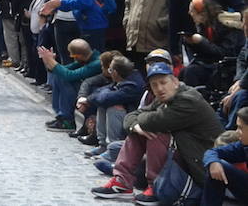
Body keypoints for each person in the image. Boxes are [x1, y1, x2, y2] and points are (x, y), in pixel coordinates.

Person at [91, 62, 223, 203]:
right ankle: (122, 182)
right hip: (176, 156)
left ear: (175, 82)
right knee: (132, 136)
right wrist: (135, 126)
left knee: (155, 131)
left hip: (199, 165)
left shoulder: (188, 100)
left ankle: (154, 186)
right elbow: (131, 117)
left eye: (163, 82)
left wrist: (139, 122)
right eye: (154, 85)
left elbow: (154, 121)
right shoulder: (164, 98)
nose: (160, 88)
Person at [83, 55, 145, 156]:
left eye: (110, 70)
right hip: (127, 116)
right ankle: (103, 145)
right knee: (102, 106)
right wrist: (88, 99)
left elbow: (105, 98)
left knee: (114, 108)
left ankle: (113, 147)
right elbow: (102, 91)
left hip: (133, 120)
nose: (109, 72)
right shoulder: (123, 79)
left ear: (115, 73)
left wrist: (93, 98)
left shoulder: (132, 86)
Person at [38, 39, 101, 132]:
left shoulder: (96, 63)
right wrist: (49, 61)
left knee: (64, 78)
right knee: (59, 76)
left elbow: (69, 75)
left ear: (78, 55)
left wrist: (51, 61)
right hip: (88, 91)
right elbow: (61, 70)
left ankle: (67, 120)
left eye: (72, 55)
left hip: (95, 93)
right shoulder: (85, 58)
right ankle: (62, 117)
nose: (72, 57)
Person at [181, 0, 245, 87]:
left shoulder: (226, 25)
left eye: (192, 11)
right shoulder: (204, 26)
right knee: (183, 72)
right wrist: (191, 43)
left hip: (227, 66)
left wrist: (201, 41)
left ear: (202, 13)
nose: (189, 13)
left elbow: (224, 52)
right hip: (212, 64)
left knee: (191, 72)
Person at [201, 107, 248, 205]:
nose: (236, 132)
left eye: (240, 128)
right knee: (217, 165)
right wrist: (213, 162)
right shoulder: (242, 145)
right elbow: (212, 152)